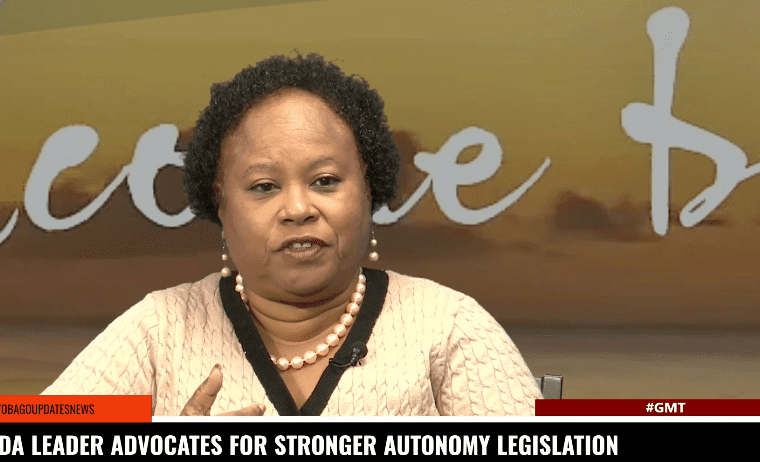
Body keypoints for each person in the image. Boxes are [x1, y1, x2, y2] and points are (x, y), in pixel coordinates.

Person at [43, 52, 542, 416]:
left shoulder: (449, 325)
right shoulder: (159, 328)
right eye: (264, 187)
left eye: (325, 181)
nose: (299, 209)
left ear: (368, 188)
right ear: (220, 203)